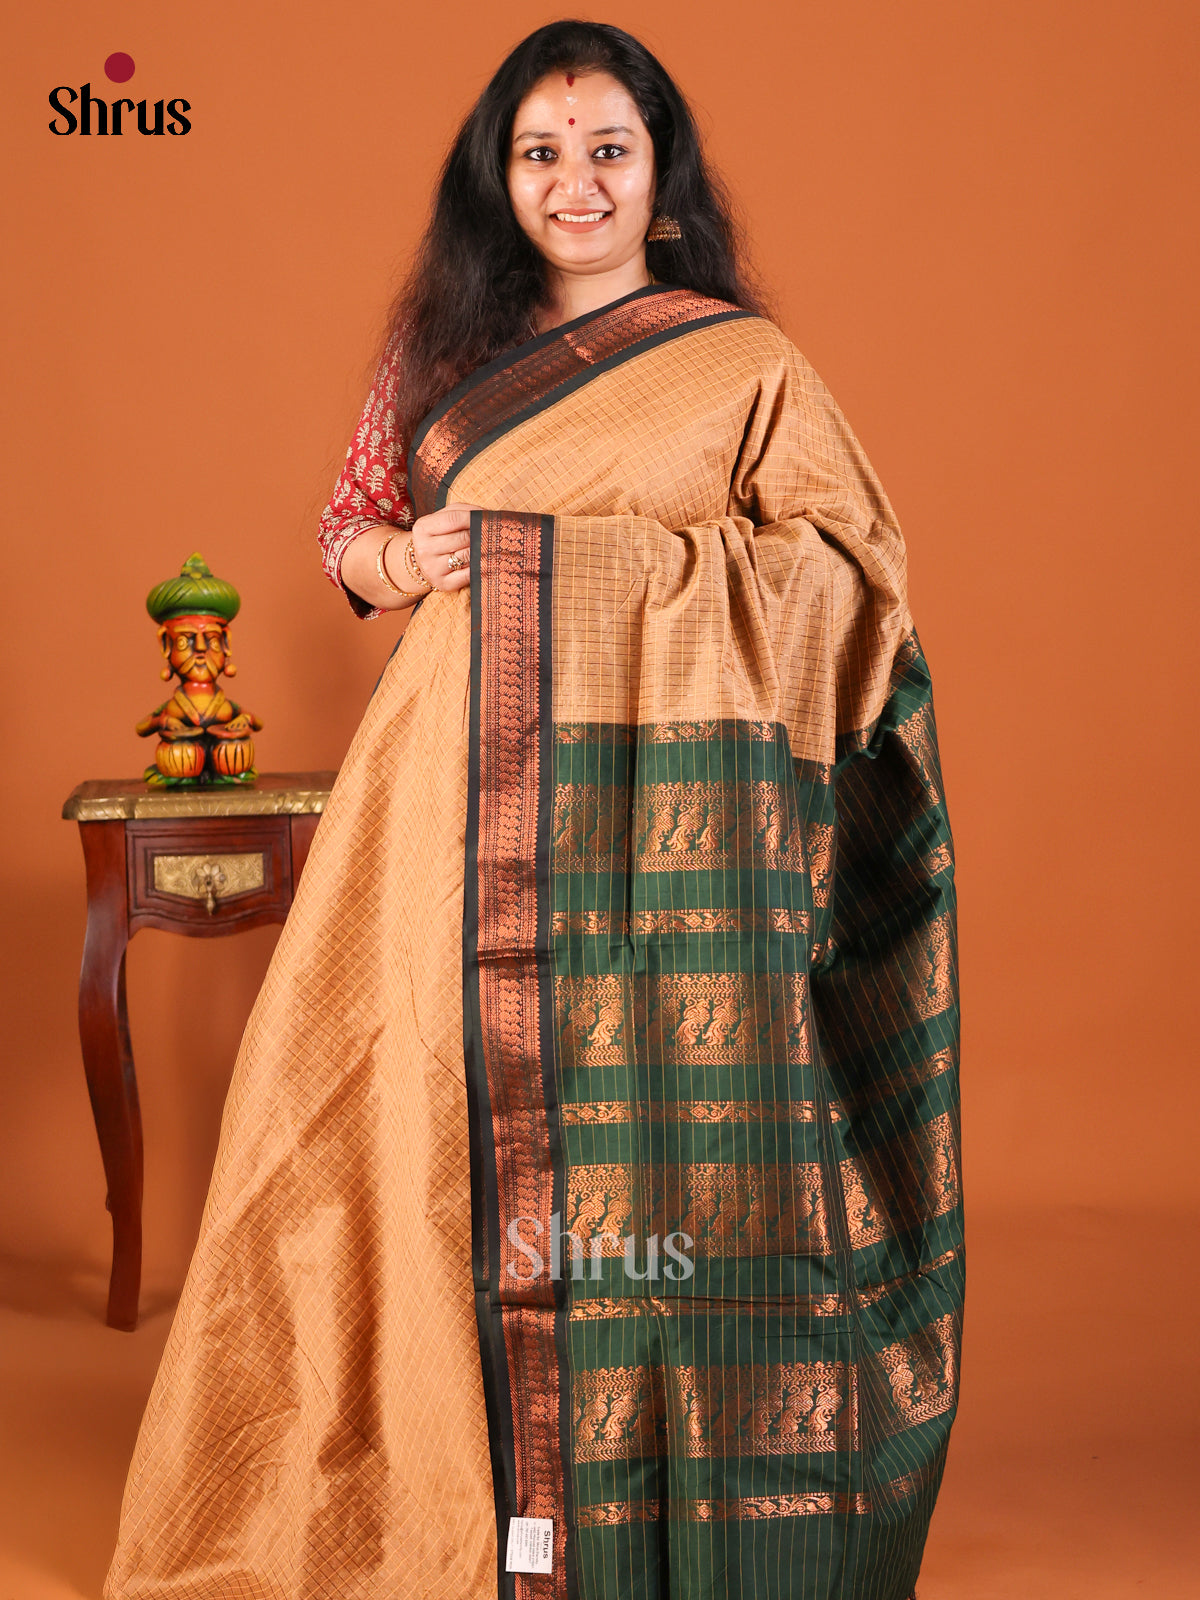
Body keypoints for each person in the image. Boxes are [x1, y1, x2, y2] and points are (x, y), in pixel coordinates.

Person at [104, 20, 962, 1600]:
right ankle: (458, 1478)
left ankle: (644, 1496)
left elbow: (850, 575)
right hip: (452, 792)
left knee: (666, 1134)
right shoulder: (444, 351)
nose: (578, 183)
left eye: (609, 151)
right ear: (499, 180)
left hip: (675, 833)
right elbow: (349, 529)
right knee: (426, 1113)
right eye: (543, 153)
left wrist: (567, 564)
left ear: (662, 178)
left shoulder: (742, 366)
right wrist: (401, 561)